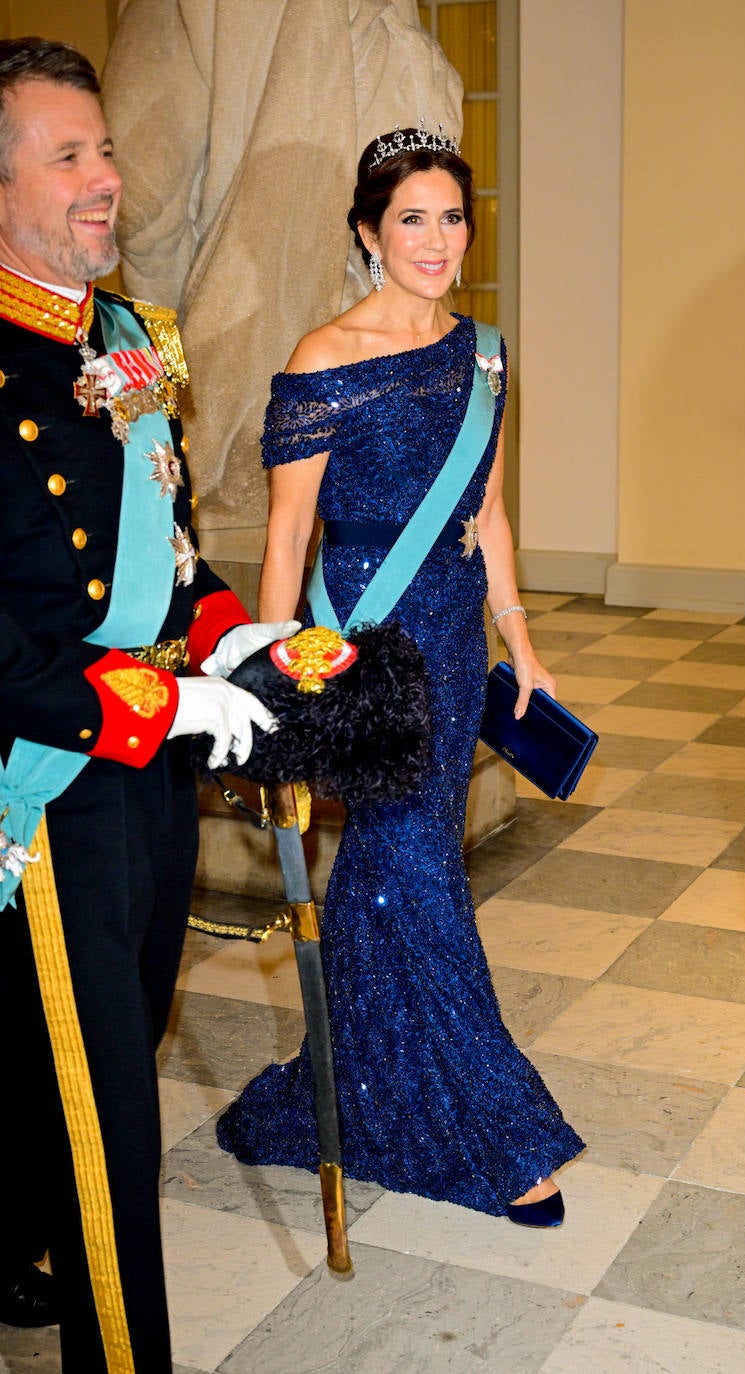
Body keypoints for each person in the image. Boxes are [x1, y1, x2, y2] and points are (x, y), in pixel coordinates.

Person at [216, 126, 585, 1225]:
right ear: (369, 233)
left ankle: (362, 1089)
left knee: (392, 867)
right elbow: (286, 540)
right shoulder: (322, 357)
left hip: (454, 636)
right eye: (410, 218)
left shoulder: (486, 353)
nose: (435, 238)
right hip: (362, 645)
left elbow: (490, 510)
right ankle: (496, 1126)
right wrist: (270, 686)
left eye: (452, 215)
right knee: (417, 869)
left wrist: (520, 638)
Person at [0, 38, 296, 1373]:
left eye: (105, 148)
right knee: (110, 1112)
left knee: (122, 1023)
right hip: (49, 779)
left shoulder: (129, 339)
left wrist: (237, 641)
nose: (106, 179)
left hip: (152, 767)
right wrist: (147, 711)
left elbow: (172, 547)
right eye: (68, 156)